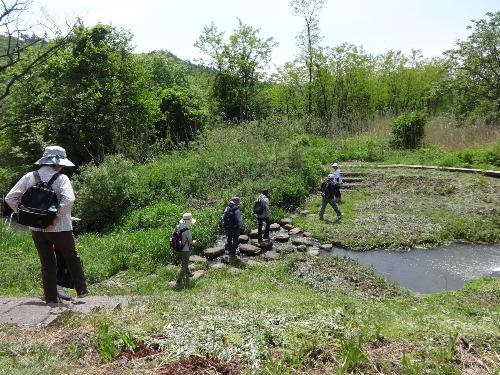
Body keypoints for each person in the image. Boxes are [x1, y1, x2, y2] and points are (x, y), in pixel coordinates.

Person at [4, 146, 88, 304]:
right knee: (71, 256)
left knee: (47, 263)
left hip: (36, 228)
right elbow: (69, 200)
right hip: (60, 227)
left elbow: (10, 198)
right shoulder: (62, 178)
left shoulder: (30, 176)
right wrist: (56, 216)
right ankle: (81, 291)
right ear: (59, 163)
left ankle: (50, 299)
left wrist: (25, 216)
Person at [175, 212, 197, 286]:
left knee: (184, 261)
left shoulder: (177, 226)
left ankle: (188, 273)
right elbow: (191, 243)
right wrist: (194, 242)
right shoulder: (187, 231)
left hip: (177, 248)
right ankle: (178, 281)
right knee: (184, 265)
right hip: (185, 250)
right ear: (189, 221)